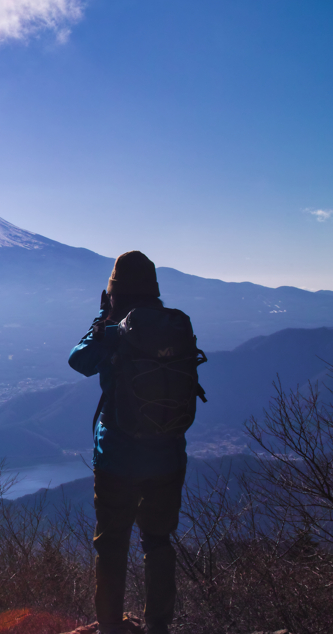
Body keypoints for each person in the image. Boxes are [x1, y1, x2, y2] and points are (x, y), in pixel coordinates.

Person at [68, 251, 187, 634]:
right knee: (158, 540)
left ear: (113, 292)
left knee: (112, 544)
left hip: (117, 455)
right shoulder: (173, 325)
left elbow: (79, 361)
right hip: (167, 454)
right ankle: (158, 626)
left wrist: (102, 322)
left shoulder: (115, 330)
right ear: (153, 289)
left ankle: (109, 626)